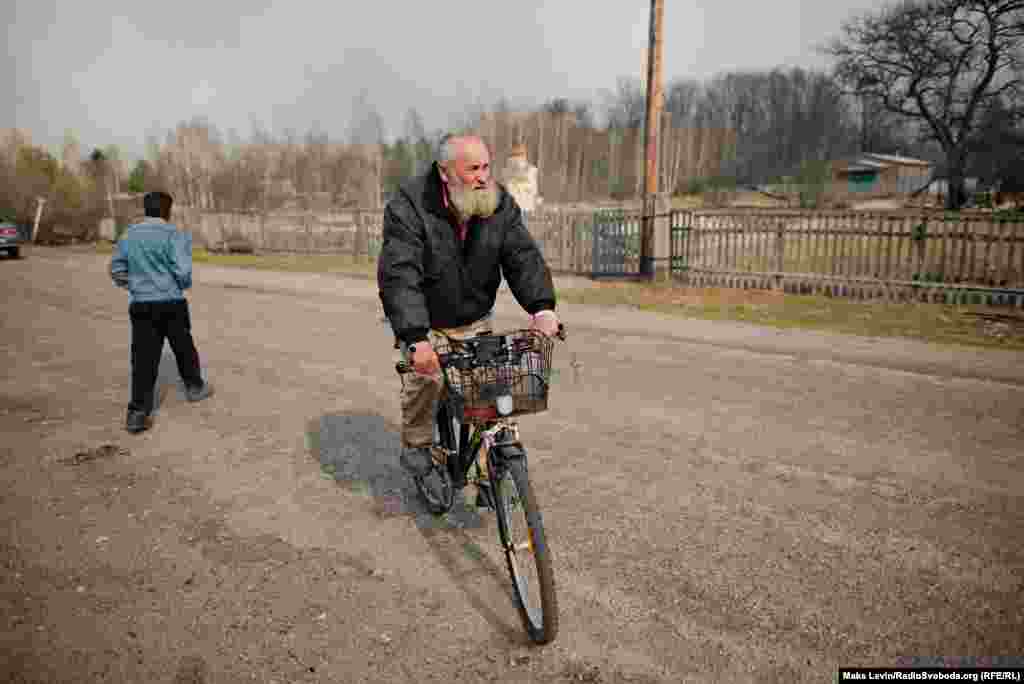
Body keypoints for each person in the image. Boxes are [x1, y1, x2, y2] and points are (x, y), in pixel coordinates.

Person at [377, 134, 561, 496]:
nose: (483, 176)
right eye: (473, 169)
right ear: (445, 173)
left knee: (492, 388)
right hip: (426, 324)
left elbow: (522, 256)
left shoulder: (497, 203)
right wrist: (415, 338)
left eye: (486, 167)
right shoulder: (409, 206)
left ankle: (486, 463)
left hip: (474, 317)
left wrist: (542, 308)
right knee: (427, 381)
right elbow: (399, 275)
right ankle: (417, 448)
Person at [110, 190, 213, 433]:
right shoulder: (174, 235)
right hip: (171, 302)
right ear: (168, 210)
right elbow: (183, 272)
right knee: (183, 346)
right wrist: (179, 284)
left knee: (143, 358)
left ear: (146, 210)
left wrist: (134, 285)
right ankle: (194, 388)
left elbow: (116, 269)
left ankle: (137, 413)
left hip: (142, 303)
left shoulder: (129, 235)